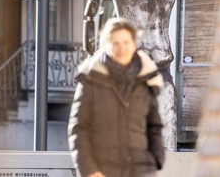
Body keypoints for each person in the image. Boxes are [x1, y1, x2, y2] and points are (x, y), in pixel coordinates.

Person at [69, 18, 165, 177]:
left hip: (141, 171)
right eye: (115, 43)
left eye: (126, 42)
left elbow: (154, 126)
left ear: (133, 44)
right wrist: (89, 169)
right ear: (106, 46)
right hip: (103, 171)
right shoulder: (91, 79)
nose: (122, 48)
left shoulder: (146, 79)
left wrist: (156, 159)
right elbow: (79, 128)